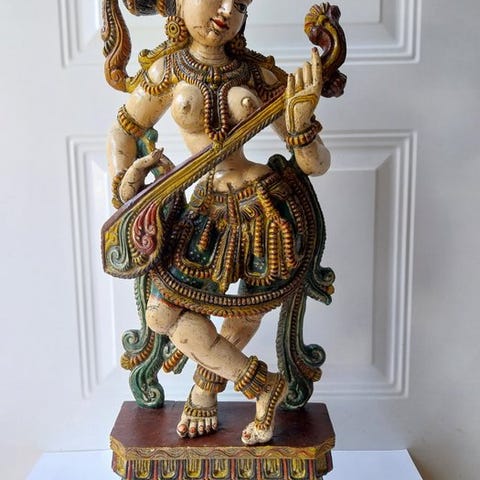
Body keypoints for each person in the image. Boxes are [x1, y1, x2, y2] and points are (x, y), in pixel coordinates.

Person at [105, 0, 331, 445]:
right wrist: (125, 182)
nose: (227, 10)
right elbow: (124, 130)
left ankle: (206, 389)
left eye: (241, 4)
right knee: (161, 313)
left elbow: (316, 164)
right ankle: (261, 384)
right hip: (205, 205)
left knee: (248, 308)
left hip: (264, 203)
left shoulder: (258, 73)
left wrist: (301, 125)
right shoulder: (168, 71)